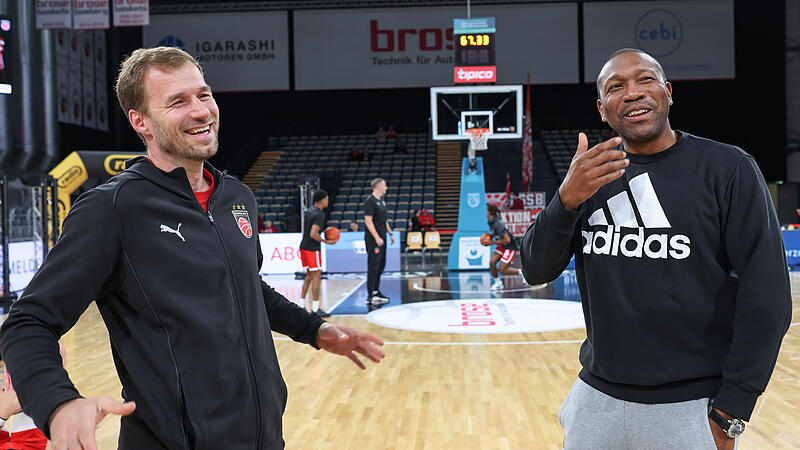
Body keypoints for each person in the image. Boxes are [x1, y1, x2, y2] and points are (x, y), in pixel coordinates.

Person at [0, 47, 385, 450]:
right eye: (178, 102)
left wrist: (315, 330)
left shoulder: (236, 195)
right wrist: (59, 404)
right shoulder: (113, 209)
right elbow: (28, 322)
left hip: (264, 437)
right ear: (140, 121)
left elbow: (246, 289)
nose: (201, 111)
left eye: (203, 95)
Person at [521, 48, 791, 450]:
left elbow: (767, 298)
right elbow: (535, 269)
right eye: (616, 87)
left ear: (667, 92)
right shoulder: (591, 175)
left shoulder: (727, 169)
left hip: (691, 406)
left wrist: (733, 408)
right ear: (602, 109)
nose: (632, 93)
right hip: (596, 399)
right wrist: (566, 199)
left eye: (645, 80)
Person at [299, 189, 334, 318]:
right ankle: (315, 308)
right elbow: (313, 233)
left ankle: (301, 304)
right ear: (322, 199)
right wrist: (326, 241)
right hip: (312, 249)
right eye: (327, 199)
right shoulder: (319, 214)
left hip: (303, 247)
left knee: (308, 276)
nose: (328, 201)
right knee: (316, 278)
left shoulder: (309, 210)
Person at [363, 178, 394, 305]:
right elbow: (368, 221)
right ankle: (370, 295)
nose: (386, 188)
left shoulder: (381, 201)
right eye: (385, 186)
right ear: (379, 186)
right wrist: (376, 237)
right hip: (374, 239)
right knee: (373, 266)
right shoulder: (370, 201)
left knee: (381, 265)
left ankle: (376, 290)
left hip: (383, 237)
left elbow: (384, 220)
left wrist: (390, 233)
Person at [483, 204, 521, 290]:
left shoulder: (497, 224)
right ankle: (498, 283)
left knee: (502, 269)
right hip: (502, 246)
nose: (485, 212)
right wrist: (489, 237)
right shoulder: (492, 221)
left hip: (510, 247)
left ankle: (521, 272)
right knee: (492, 262)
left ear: (489, 212)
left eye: (486, 210)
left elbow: (507, 240)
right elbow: (497, 234)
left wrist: (491, 242)